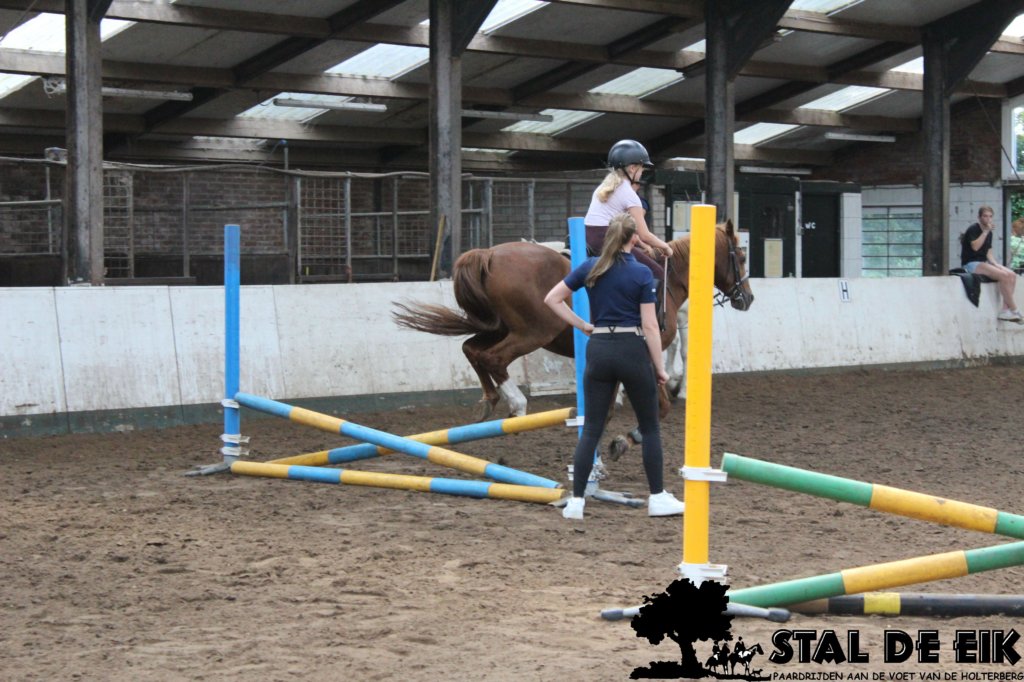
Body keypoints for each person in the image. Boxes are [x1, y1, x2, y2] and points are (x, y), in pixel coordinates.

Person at [543, 212, 685, 520]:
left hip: (599, 349)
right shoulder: (641, 274)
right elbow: (650, 326)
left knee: (591, 429)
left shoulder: (590, 268)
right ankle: (658, 497)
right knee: (650, 426)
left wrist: (582, 325)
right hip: (632, 349)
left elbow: (552, 299)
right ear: (634, 239)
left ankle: (577, 501)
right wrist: (660, 367)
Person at [585, 139, 672, 286]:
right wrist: (666, 247)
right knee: (657, 272)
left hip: (589, 236)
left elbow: (631, 230)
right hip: (608, 240)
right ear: (632, 168)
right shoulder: (629, 194)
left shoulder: (605, 187)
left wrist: (642, 245)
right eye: (641, 169)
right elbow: (645, 235)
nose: (642, 173)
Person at [960, 205, 1021, 321]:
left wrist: (996, 264)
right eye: (985, 216)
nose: (988, 219)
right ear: (979, 217)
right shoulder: (974, 229)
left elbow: (988, 252)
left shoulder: (989, 233)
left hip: (982, 262)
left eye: (990, 216)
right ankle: (1014, 309)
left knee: (1011, 274)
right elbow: (975, 247)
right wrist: (985, 232)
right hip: (971, 263)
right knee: (1003, 276)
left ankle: (1005, 310)